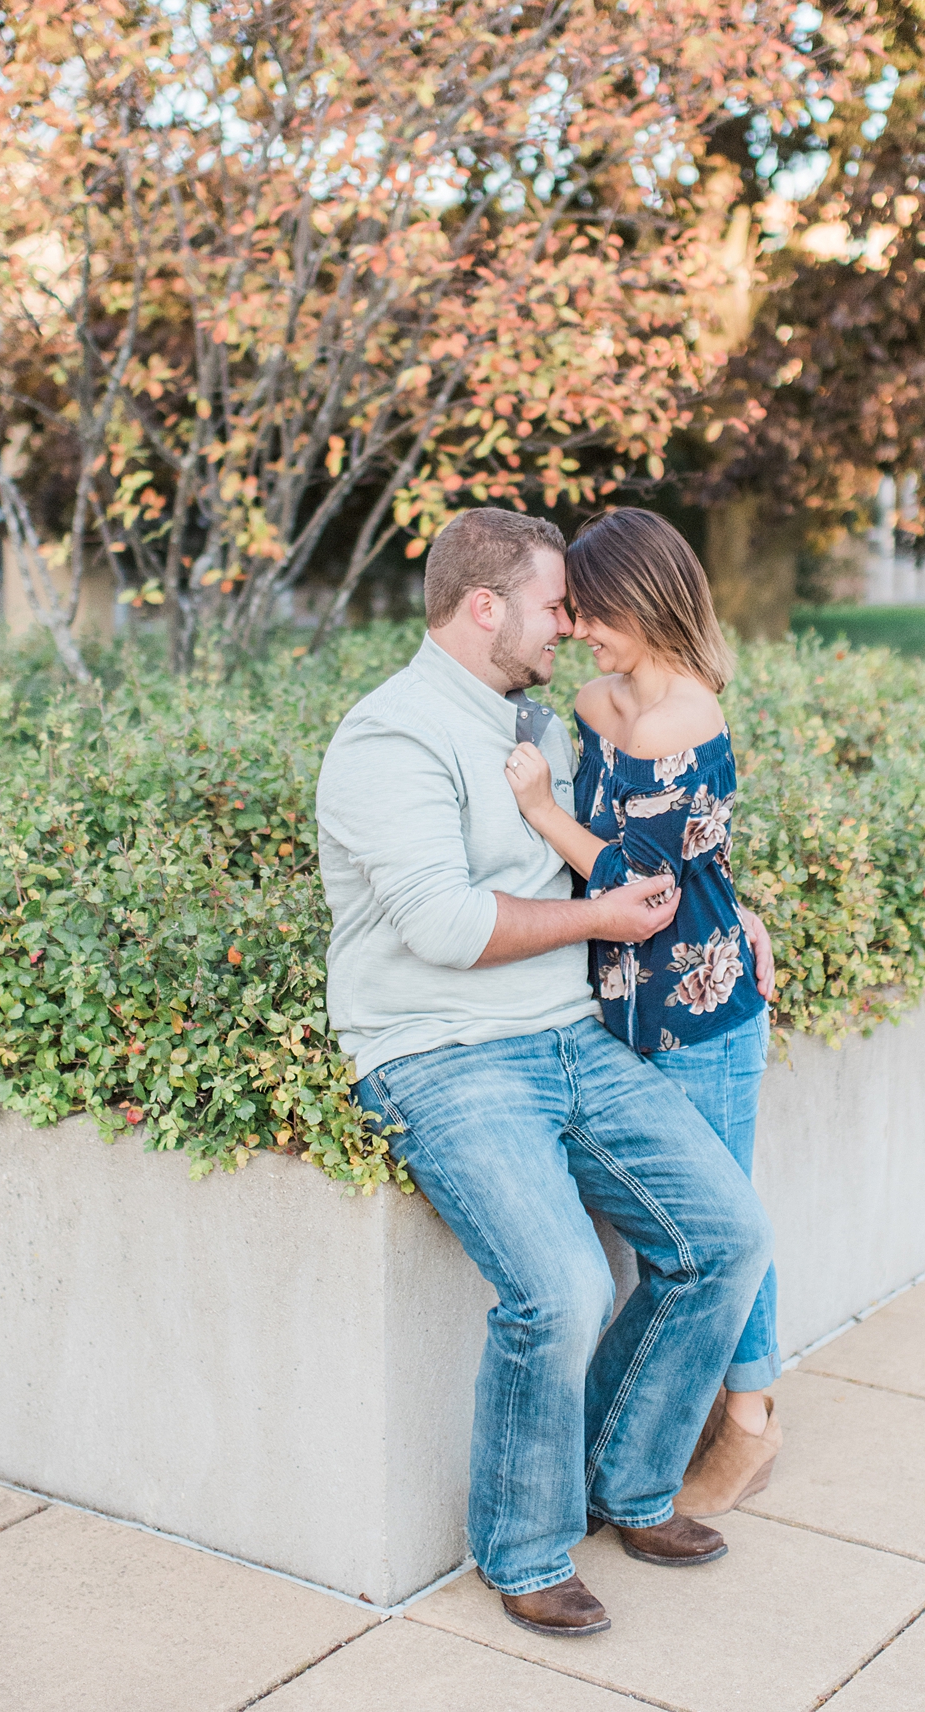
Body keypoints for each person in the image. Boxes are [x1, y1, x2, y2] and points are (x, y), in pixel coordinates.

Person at [316, 507, 773, 1639]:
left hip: (569, 1032)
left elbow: (639, 845)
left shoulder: (531, 722)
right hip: (444, 1056)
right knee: (561, 1290)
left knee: (725, 1239)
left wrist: (721, 907)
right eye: (552, 605)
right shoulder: (393, 740)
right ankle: (521, 1548)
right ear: (486, 609)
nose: (568, 624)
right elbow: (443, 925)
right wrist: (602, 915)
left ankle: (628, 1483)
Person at [503, 507, 782, 1517]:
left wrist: (542, 813)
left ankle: (748, 1419)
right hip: (616, 1008)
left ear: (645, 603)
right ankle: (697, 1406)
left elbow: (646, 889)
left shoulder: (686, 719)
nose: (579, 630)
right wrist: (735, 900)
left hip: (700, 1014)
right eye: (570, 613)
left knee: (725, 1214)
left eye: (593, 613)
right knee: (701, 1217)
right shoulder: (593, 699)